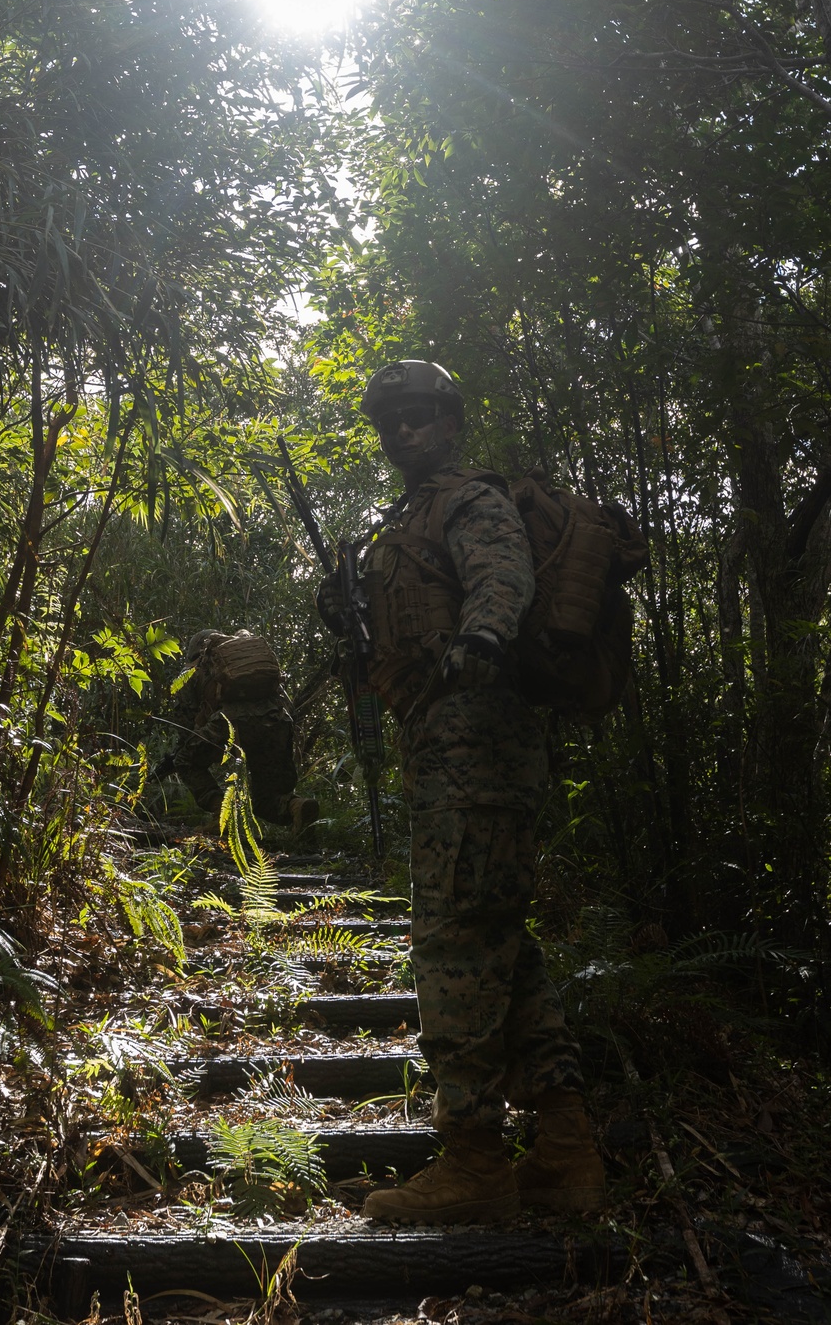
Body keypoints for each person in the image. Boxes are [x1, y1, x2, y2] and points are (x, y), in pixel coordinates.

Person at [317, 359, 605, 1225]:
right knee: (501, 948)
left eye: (419, 416)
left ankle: (474, 1159)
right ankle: (565, 1150)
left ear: (449, 420)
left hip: (478, 748)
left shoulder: (469, 501)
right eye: (389, 421)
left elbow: (502, 576)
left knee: (451, 944)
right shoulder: (400, 522)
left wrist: (481, 635)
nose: (402, 431)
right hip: (443, 751)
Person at [166, 628, 319, 830]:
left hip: (231, 723)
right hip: (278, 721)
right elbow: (288, 705)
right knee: (266, 798)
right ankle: (296, 806)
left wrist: (199, 747)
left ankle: (222, 814)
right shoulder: (250, 666)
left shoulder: (192, 673)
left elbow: (186, 730)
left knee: (185, 760)